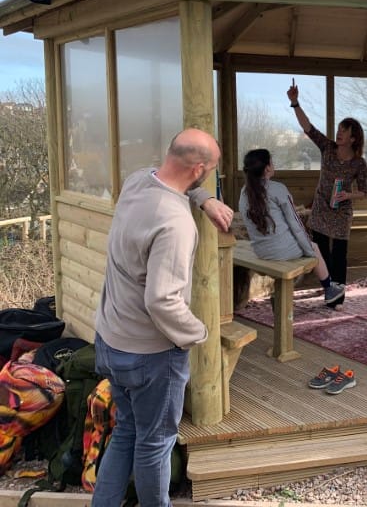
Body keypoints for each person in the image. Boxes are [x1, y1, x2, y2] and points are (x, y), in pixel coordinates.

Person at [93, 128, 233, 507]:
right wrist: (199, 333)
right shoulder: (175, 224)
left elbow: (177, 183)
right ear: (199, 169)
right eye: (210, 171)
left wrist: (203, 198)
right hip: (150, 355)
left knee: (126, 431)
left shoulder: (137, 182)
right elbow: (162, 301)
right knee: (155, 444)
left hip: (110, 340)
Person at [287, 81, 367, 306]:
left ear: (353, 138)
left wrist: (348, 195)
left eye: (344, 131)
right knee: (321, 252)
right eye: (339, 129)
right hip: (321, 208)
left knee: (339, 254)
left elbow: (363, 192)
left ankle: (338, 297)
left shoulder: (359, 163)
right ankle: (328, 288)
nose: (339, 133)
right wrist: (295, 103)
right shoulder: (327, 148)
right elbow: (308, 127)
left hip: (342, 212)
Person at [239, 149, 345, 305]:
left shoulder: (244, 191)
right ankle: (329, 289)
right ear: (267, 168)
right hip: (281, 251)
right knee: (314, 247)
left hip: (261, 251)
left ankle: (281, 293)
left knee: (302, 248)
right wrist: (309, 251)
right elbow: (296, 224)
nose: (273, 165)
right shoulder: (278, 189)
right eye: (271, 162)